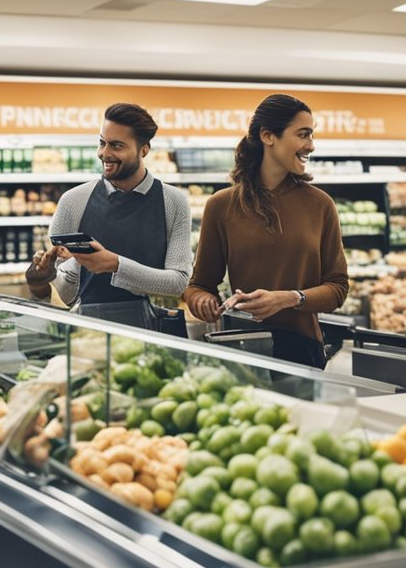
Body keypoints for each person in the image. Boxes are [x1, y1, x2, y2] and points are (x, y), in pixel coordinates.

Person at [184, 94, 348, 368]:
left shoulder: (321, 205)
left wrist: (290, 298)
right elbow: (199, 286)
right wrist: (202, 301)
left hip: (303, 349)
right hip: (241, 345)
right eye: (303, 135)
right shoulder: (221, 205)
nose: (311, 145)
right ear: (268, 136)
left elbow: (338, 288)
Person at [24, 102, 192, 330]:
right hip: (92, 335)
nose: (104, 153)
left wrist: (115, 265)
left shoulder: (174, 201)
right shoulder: (73, 201)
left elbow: (178, 282)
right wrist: (45, 277)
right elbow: (69, 292)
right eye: (102, 142)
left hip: (157, 333)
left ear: (144, 149)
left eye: (117, 145)